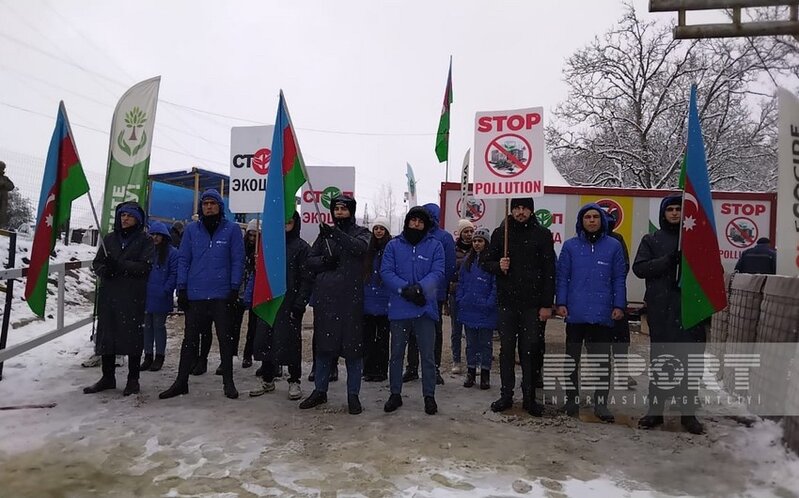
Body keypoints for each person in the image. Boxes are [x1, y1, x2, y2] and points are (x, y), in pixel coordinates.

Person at [159, 189, 245, 400]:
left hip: (221, 294)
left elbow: (238, 260)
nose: (208, 207)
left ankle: (228, 382)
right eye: (205, 204)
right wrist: (182, 287)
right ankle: (181, 382)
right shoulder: (191, 230)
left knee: (225, 339)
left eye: (212, 203)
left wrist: (235, 287)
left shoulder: (232, 230)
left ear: (219, 207)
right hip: (196, 294)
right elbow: (184, 259)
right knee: (189, 340)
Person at [633, 194, 705, 435]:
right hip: (662, 310)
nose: (674, 213)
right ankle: (655, 410)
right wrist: (668, 260)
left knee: (689, 363)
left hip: (689, 310)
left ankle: (688, 414)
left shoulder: (696, 239)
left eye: (678, 209)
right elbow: (640, 268)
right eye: (670, 209)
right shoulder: (651, 239)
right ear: (663, 213)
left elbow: (709, 271)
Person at [482, 197, 555, 417]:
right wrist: (498, 265)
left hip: (532, 304)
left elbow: (549, 271)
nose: (520, 212)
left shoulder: (542, 235)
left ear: (531, 211)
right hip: (507, 303)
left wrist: (546, 304)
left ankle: (529, 398)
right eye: (516, 208)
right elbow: (485, 262)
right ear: (511, 210)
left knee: (530, 351)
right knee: (506, 351)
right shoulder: (501, 233)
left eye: (524, 208)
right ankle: (506, 395)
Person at [299, 195, 371, 415]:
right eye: (336, 209)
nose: (339, 212)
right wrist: (324, 262)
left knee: (353, 351)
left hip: (350, 301)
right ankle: (320, 390)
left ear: (351, 211)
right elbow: (309, 260)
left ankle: (353, 395)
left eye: (343, 209)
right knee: (324, 348)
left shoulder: (361, 232)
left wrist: (335, 234)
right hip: (327, 301)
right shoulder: (324, 235)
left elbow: (360, 249)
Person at [555, 203, 627, 423]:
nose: (592, 220)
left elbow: (619, 278)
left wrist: (619, 305)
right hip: (575, 313)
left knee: (602, 361)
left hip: (602, 314)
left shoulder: (613, 246)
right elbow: (562, 276)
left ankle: (601, 404)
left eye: (596, 217)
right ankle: (571, 400)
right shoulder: (570, 246)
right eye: (587, 217)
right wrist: (561, 302)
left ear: (602, 221)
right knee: (571, 360)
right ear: (581, 221)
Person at [84, 202, 153, 396]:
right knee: (107, 335)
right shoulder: (110, 239)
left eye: (129, 216)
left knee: (132, 337)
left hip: (132, 296)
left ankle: (133, 379)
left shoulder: (145, 240)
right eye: (122, 215)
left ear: (137, 219)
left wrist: (120, 265)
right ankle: (108, 377)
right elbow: (98, 263)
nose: (125, 219)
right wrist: (105, 270)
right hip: (110, 295)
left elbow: (145, 267)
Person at [381, 206, 445, 415]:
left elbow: (438, 272)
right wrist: (405, 289)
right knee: (396, 354)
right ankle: (395, 393)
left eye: (420, 221)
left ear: (426, 225)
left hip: (424, 308)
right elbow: (386, 272)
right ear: (407, 222)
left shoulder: (435, 246)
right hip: (400, 309)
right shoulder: (393, 246)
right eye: (413, 220)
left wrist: (420, 289)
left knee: (427, 356)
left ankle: (429, 396)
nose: (416, 224)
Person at [249, 211, 313, 400]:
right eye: (283, 221)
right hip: (270, 301)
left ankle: (294, 380)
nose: (286, 225)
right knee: (266, 339)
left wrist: (300, 303)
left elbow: (307, 278)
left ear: (296, 223)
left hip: (290, 303)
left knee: (291, 342)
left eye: (289, 221)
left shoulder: (302, 247)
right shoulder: (269, 245)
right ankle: (268, 378)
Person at [403, 203, 454, 385]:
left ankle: (432, 368)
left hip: (433, 293)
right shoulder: (416, 235)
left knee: (433, 332)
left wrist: (433, 288)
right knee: (414, 330)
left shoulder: (443, 238)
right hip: (414, 291)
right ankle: (413, 366)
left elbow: (447, 268)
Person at [455, 227, 496, 390]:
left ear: (486, 243)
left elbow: (495, 286)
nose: (477, 244)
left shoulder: (491, 262)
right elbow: (461, 282)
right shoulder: (468, 261)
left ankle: (485, 374)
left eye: (480, 241)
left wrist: (489, 302)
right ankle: (471, 372)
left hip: (485, 310)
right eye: (475, 241)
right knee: (471, 344)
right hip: (469, 307)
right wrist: (461, 298)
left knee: (485, 344)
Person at [141, 221, 178, 372]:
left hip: (161, 295)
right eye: (153, 234)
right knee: (147, 327)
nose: (155, 237)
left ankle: (159, 356)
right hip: (146, 294)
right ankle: (148, 355)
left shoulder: (172, 253)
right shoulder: (147, 251)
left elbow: (174, 274)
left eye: (158, 235)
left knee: (158, 326)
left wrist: (166, 290)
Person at [607, 212, 636, 388]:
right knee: (594, 340)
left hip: (615, 296)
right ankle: (595, 372)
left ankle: (623, 372)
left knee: (621, 338)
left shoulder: (616, 239)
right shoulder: (583, 240)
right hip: (592, 299)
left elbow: (624, 266)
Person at [362, 216, 392, 382]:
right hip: (368, 299)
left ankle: (381, 370)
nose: (378, 231)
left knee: (382, 339)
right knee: (367, 338)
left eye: (381, 228)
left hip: (384, 301)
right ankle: (368, 369)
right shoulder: (369, 250)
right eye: (376, 228)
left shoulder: (391, 249)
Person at [448, 218, 474, 375]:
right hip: (456, 293)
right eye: (466, 231)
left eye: (471, 231)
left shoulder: (477, 249)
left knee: (471, 329)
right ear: (460, 233)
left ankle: (472, 361)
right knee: (456, 329)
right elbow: (449, 271)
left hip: (471, 294)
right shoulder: (452, 250)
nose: (469, 234)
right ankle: (456, 360)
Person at [235, 219, 259, 368]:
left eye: (255, 235)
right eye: (250, 235)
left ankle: (248, 354)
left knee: (253, 326)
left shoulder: (261, 251)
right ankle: (231, 354)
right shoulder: (241, 249)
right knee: (234, 325)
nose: (252, 238)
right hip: (240, 290)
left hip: (254, 292)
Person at [0, 160, 15, 229]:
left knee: (2, 216)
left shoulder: (5, 178)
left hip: (2, 202)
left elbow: (11, 186)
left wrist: (4, 184)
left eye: (2, 168)